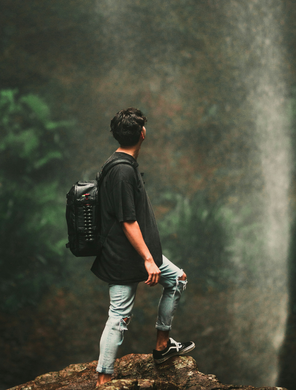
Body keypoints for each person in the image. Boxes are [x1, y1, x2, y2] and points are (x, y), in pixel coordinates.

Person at [91, 107, 195, 387]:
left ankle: (162, 347)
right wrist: (149, 260)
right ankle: (103, 380)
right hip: (127, 256)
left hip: (137, 253)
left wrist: (150, 256)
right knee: (118, 317)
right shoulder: (122, 171)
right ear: (143, 134)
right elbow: (127, 221)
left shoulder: (116, 163)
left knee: (177, 279)